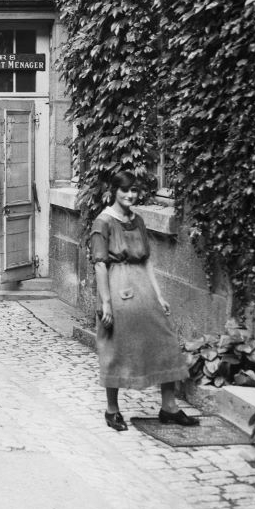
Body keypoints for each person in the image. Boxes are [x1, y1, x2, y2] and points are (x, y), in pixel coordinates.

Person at [90, 170, 200, 432]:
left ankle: (169, 407)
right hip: (118, 286)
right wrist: (106, 302)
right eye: (124, 190)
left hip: (143, 286)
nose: (130, 195)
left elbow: (147, 259)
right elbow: (100, 265)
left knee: (165, 340)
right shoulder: (103, 222)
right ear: (114, 191)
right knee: (115, 345)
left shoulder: (137, 220)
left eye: (134, 190)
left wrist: (159, 294)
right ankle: (112, 409)